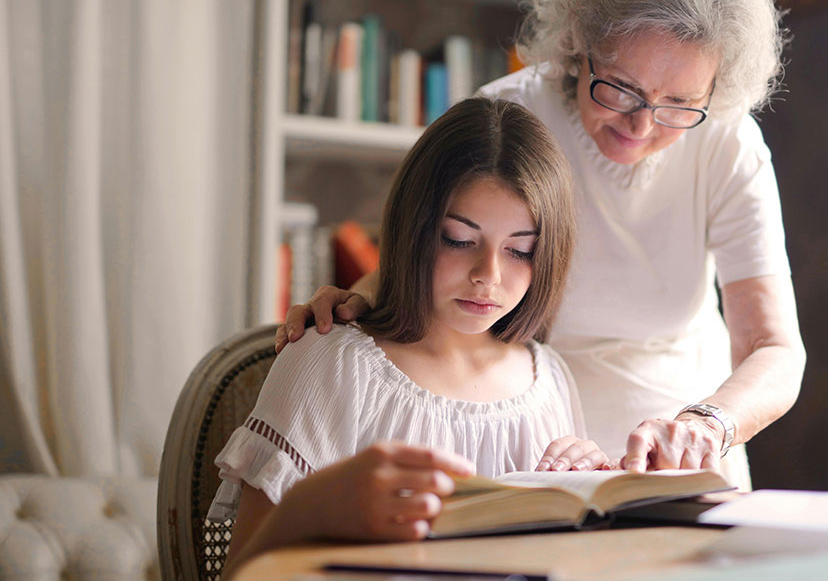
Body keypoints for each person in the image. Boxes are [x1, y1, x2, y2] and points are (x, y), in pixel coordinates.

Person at [278, 0, 806, 490]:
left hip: (684, 451)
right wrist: (355, 302)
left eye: (679, 104)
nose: (641, 124)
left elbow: (773, 348)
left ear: (714, 92)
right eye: (622, 88)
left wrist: (709, 424)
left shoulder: (726, 142)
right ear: (580, 47)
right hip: (536, 438)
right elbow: (443, 252)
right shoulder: (509, 118)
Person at [211, 98, 606, 576]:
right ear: (415, 228)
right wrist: (317, 503)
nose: (489, 275)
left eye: (521, 250)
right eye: (459, 240)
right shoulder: (332, 365)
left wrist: (590, 492)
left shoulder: (549, 379)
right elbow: (243, 570)